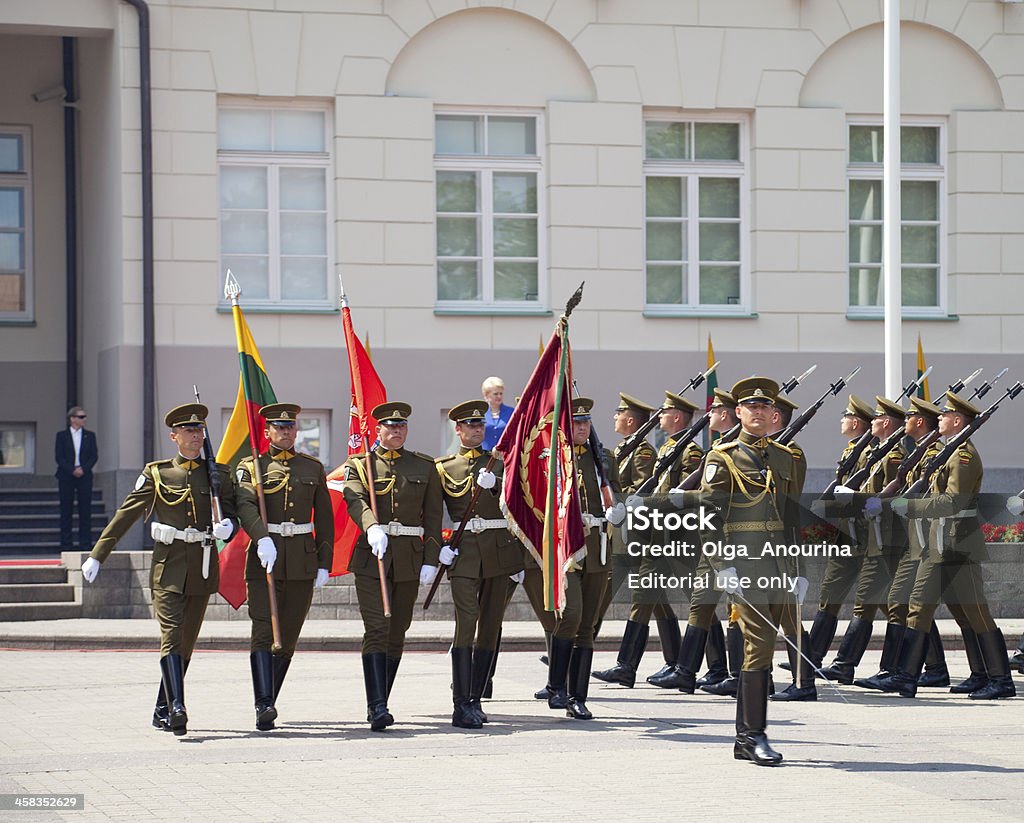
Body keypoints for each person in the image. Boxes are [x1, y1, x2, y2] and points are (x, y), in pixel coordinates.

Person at [80, 404, 235, 736]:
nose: (195, 436)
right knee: (171, 638)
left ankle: (161, 708)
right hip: (168, 568)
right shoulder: (159, 473)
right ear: (174, 436)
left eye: (199, 431)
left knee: (187, 643)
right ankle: (178, 707)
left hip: (203, 568)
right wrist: (98, 554)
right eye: (188, 431)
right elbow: (127, 513)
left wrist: (229, 527)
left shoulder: (217, 473)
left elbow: (234, 513)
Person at [878, 392, 1016, 700]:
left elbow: (954, 501)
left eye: (943, 415)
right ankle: (917, 676)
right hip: (939, 540)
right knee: (946, 609)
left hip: (956, 541)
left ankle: (1000, 679)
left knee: (973, 611)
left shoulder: (963, 456)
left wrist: (911, 507)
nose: (937, 419)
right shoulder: (947, 452)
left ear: (957, 421)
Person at [699, 377, 804, 765]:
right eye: (751, 407)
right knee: (759, 642)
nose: (758, 412)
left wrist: (799, 568)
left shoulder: (785, 457)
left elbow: (791, 516)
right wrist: (722, 566)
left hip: (779, 563)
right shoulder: (722, 457)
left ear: (774, 414)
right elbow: (708, 519)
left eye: (765, 407)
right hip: (744, 565)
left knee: (762, 645)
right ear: (737, 413)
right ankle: (753, 735)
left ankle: (745, 737)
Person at [342, 401, 443, 730]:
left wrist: (431, 557)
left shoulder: (424, 467)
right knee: (377, 628)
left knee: (398, 630)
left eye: (401, 426)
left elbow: (432, 516)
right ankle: (377, 705)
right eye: (390, 426)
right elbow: (353, 498)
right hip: (373, 557)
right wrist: (371, 526)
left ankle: (382, 698)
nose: (397, 430)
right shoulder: (361, 464)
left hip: (409, 558)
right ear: (378, 430)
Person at [235, 403, 334, 732]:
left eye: (291, 427)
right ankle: (263, 703)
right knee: (264, 631)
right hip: (265, 558)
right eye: (279, 427)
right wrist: (261, 538)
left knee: (288, 637)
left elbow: (324, 519)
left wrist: (324, 562)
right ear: (267, 433)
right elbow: (245, 506)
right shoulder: (252, 467)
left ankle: (270, 696)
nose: (287, 432)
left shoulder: (312, 468)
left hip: (302, 561)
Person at [527, 397, 621, 719]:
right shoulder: (553, 459)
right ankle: (556, 684)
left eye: (586, 422)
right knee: (572, 616)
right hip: (567, 549)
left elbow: (615, 493)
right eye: (576, 423)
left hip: (599, 548)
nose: (582, 427)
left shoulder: (603, 459)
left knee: (589, 625)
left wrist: (619, 510)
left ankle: (577, 697)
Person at [435, 400, 525, 729]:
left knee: (489, 625)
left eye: (480, 425)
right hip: (464, 555)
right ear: (457, 429)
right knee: (466, 623)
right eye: (469, 425)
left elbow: (521, 503)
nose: (476, 429)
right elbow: (432, 515)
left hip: (498, 554)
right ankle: (461, 704)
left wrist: (498, 484)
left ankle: (475, 698)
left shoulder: (501, 463)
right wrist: (438, 550)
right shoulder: (444, 467)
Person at [815, 397, 907, 686]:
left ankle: (848, 665)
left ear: (886, 422)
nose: (873, 422)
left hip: (880, 538)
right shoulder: (873, 453)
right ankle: (813, 656)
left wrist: (855, 501)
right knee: (872, 601)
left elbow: (892, 497)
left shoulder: (892, 456)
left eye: (878, 417)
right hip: (859, 534)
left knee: (877, 603)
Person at [591, 393, 657, 688]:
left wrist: (613, 493)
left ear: (630, 419)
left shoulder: (642, 452)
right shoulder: (622, 449)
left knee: (610, 591)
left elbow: (642, 489)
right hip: (620, 532)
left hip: (636, 534)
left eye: (619, 412)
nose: (614, 417)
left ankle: (624, 665)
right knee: (653, 602)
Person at [55, 406, 98, 549]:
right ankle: (66, 545)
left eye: (84, 417)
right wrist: (72, 470)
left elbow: (94, 456)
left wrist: (83, 469)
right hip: (66, 476)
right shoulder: (62, 435)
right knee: (66, 510)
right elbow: (59, 457)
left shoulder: (90, 435)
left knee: (85, 510)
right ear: (72, 419)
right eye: (81, 417)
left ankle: (85, 544)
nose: (84, 419)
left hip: (84, 476)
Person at [481, 376, 514, 451]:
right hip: (484, 457)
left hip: (506, 455)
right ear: (486, 395)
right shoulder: (481, 413)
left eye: (501, 393)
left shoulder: (512, 412)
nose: (499, 396)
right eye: (495, 394)